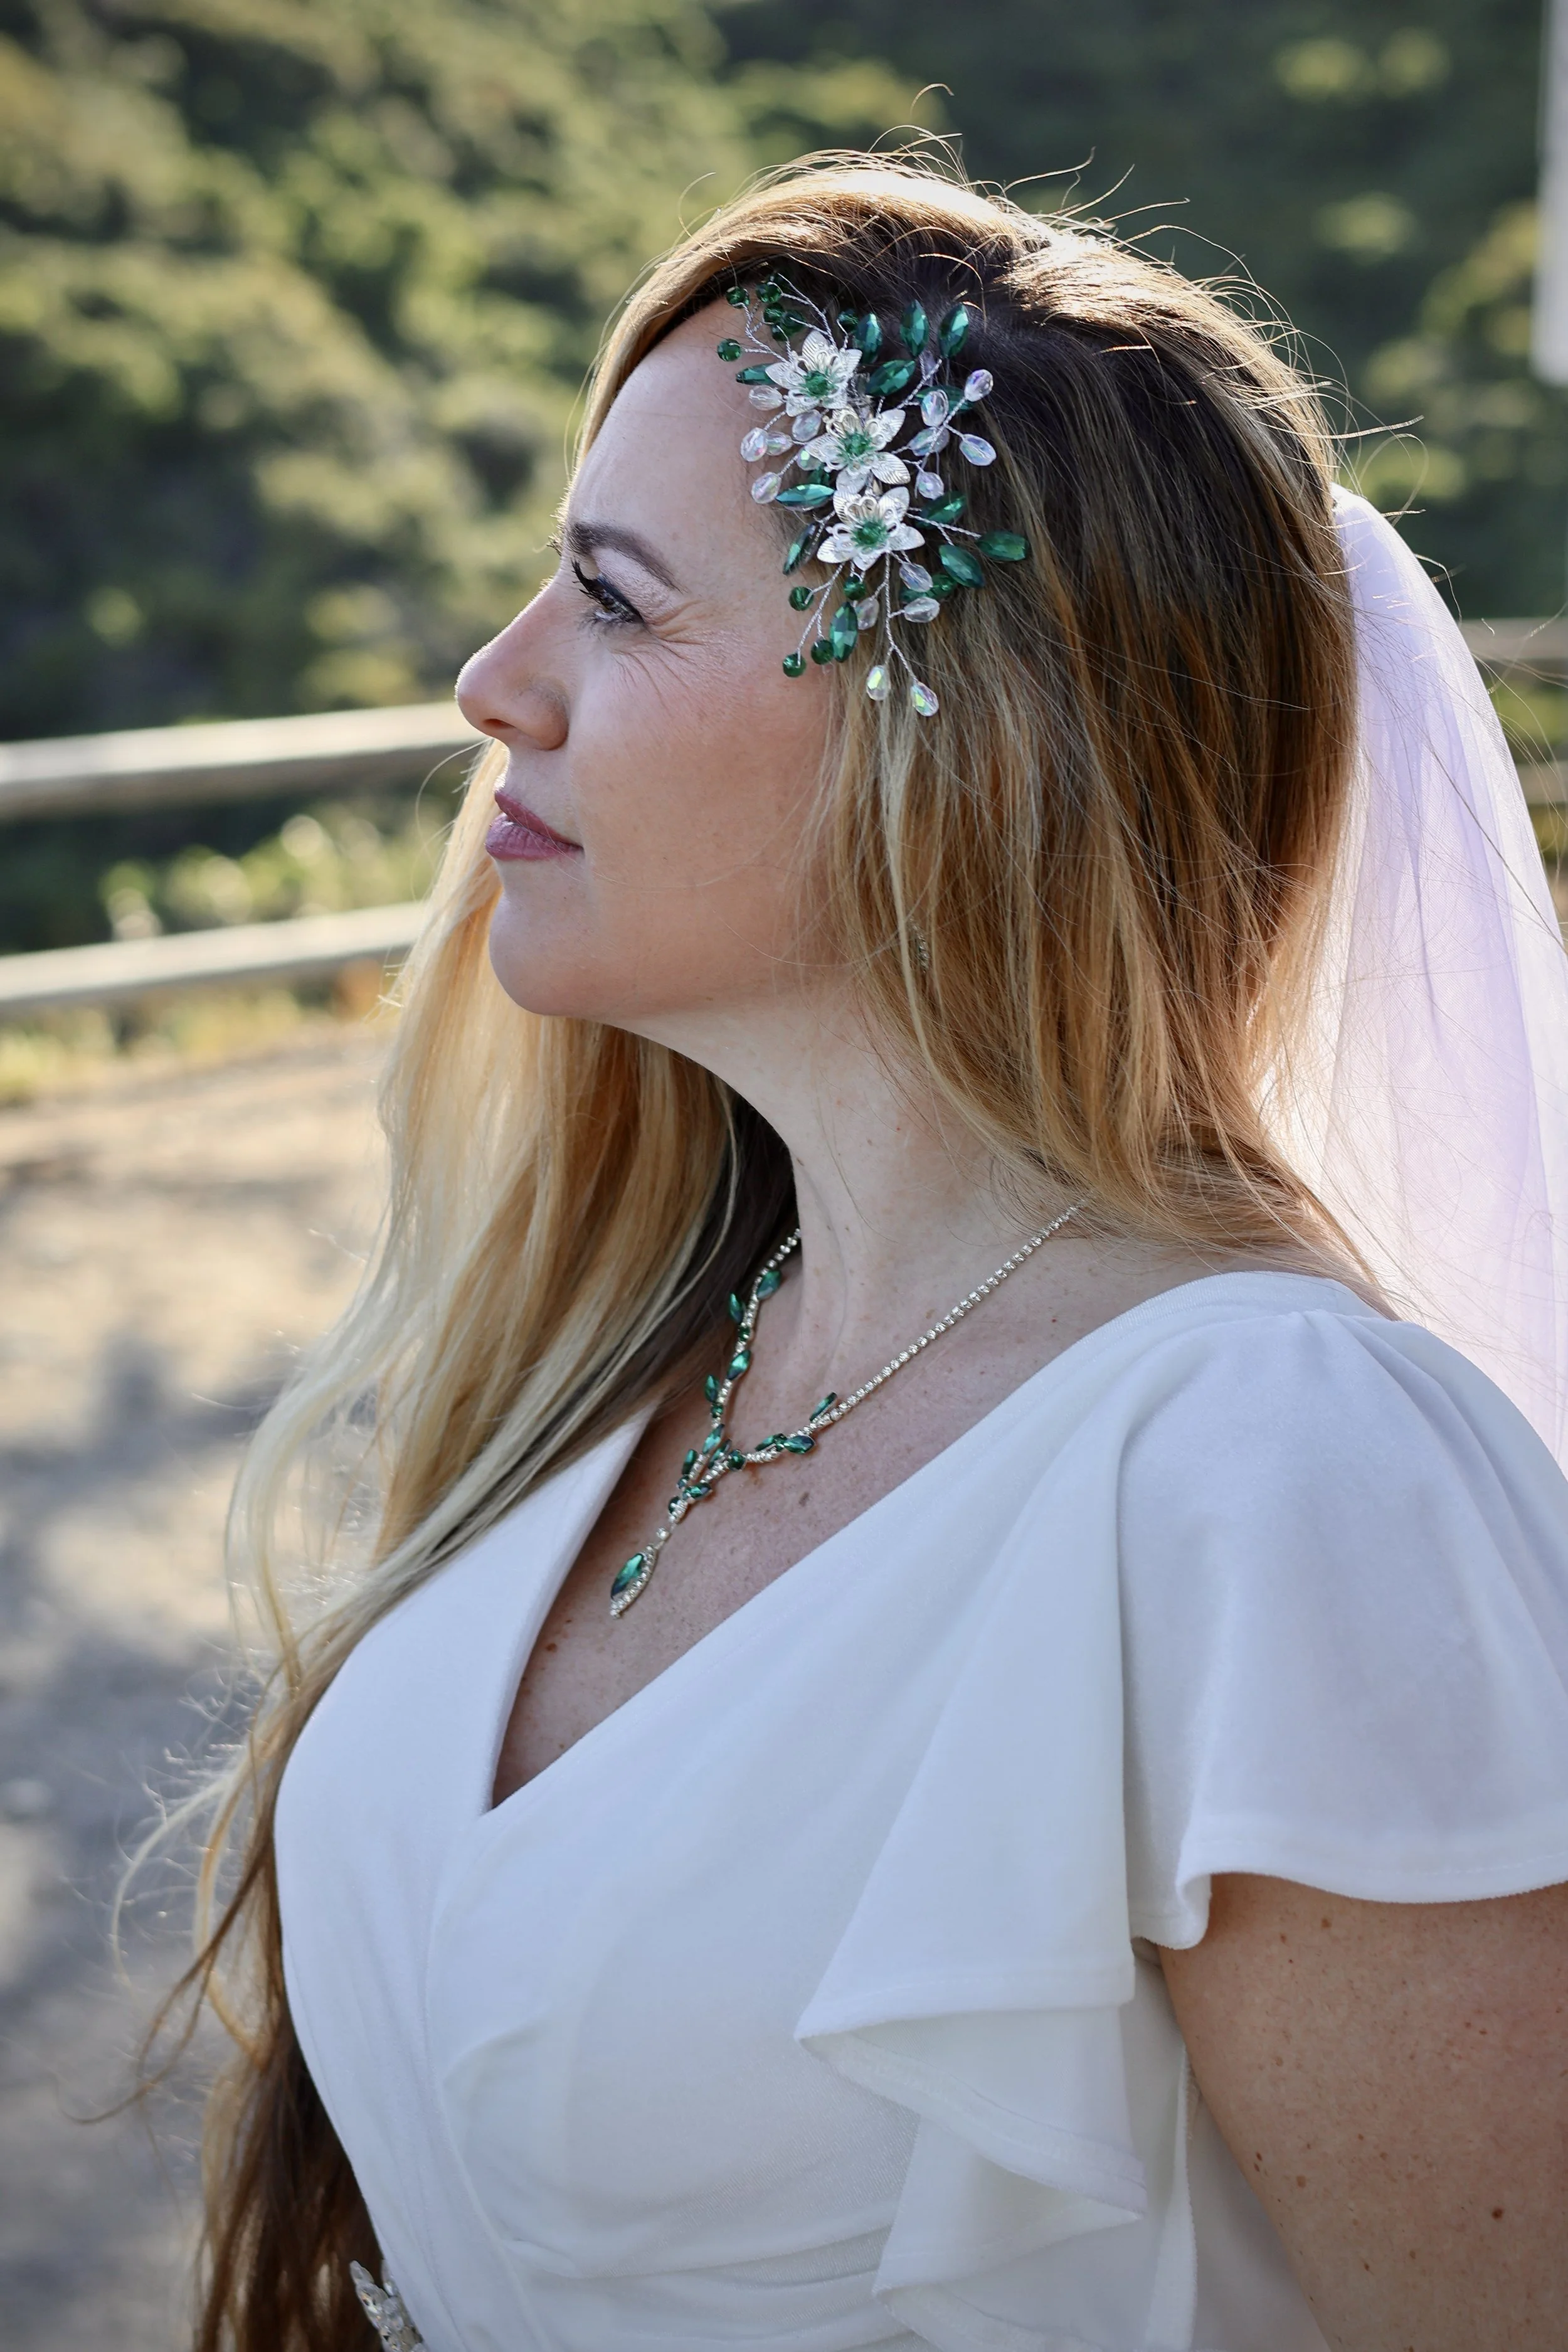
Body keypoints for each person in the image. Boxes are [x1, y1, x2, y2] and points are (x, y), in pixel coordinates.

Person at [175, 159, 1568, 2352]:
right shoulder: (657, 1351)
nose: (490, 682)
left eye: (616, 605)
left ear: (961, 748)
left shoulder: (1287, 1478)